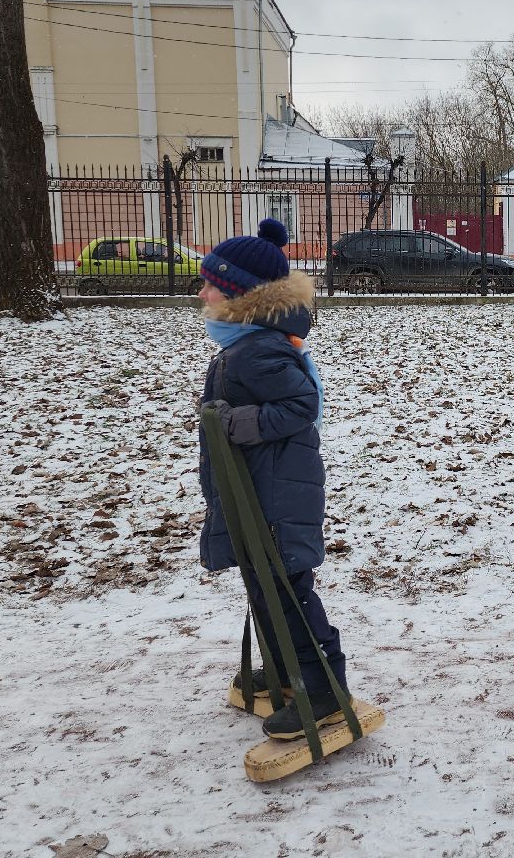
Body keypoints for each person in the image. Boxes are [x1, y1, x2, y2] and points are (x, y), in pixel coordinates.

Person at [196, 217, 350, 738]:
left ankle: (327, 688)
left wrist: (244, 423)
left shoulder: (258, 350)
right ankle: (287, 671)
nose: (202, 292)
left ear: (241, 297)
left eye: (211, 285)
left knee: (288, 590)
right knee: (265, 587)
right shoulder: (248, 345)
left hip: (277, 496)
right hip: (258, 491)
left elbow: (301, 405)